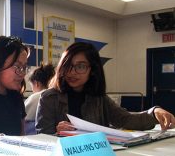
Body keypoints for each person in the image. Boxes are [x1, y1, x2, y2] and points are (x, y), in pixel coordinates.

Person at [36, 42, 175, 134]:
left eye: (81, 66)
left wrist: (154, 111)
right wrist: (57, 133)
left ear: (93, 70)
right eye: (68, 65)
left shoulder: (99, 98)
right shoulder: (49, 98)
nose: (72, 72)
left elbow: (126, 119)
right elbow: (41, 137)